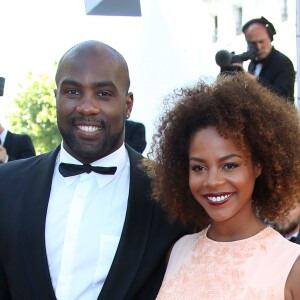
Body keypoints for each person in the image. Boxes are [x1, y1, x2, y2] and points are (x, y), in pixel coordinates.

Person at [0, 40, 189, 300]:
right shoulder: (7, 185)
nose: (87, 107)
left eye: (103, 94)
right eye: (72, 92)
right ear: (56, 97)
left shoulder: (171, 194)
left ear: (128, 104)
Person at [143, 73, 300, 299]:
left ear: (258, 165)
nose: (212, 181)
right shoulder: (178, 251)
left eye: (229, 165)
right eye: (199, 168)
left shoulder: (291, 265)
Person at [241, 16, 295, 102]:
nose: (258, 47)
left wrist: (255, 81)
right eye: (253, 43)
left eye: (261, 41)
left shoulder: (283, 63)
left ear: (270, 38)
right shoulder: (252, 64)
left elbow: (284, 97)